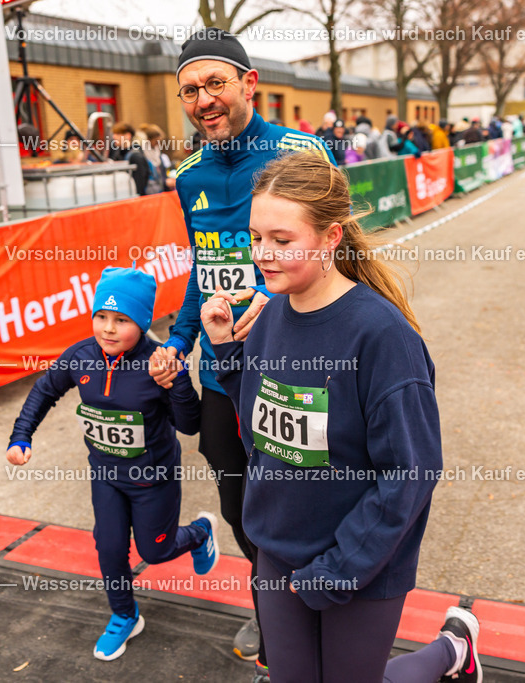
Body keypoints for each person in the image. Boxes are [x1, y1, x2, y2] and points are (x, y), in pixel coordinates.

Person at [200, 150, 482, 683]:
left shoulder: (383, 337)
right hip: (277, 555)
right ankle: (452, 649)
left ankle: (450, 650)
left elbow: (411, 473)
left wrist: (336, 570)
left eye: (282, 240)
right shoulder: (268, 316)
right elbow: (262, 431)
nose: (263, 255)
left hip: (358, 566)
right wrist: (228, 354)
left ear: (331, 237)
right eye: (255, 237)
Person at [149, 28, 336, 681]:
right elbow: (204, 271)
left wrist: (273, 294)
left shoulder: (301, 151)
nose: (203, 100)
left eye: (215, 83)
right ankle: (272, 601)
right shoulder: (189, 174)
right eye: (190, 91)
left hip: (295, 368)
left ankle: (322, 608)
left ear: (248, 83)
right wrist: (179, 341)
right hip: (224, 375)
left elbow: (337, 249)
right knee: (241, 507)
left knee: (304, 501)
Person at [6, 266, 218, 662]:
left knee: (155, 552)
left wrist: (177, 382)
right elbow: (44, 391)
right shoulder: (81, 356)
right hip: (105, 475)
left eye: (122, 320)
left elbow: (189, 426)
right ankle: (124, 614)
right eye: (101, 316)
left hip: (153, 478)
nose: (108, 328)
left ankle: (200, 532)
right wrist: (21, 435)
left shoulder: (159, 361)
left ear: (142, 323)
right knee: (109, 547)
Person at [112, 123, 153, 196]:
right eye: (114, 134)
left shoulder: (136, 156)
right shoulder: (118, 154)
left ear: (128, 136)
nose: (114, 137)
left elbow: (140, 184)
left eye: (118, 134)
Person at [140, 123, 174, 192]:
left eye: (159, 141)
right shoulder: (142, 153)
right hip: (150, 188)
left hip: (160, 186)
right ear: (149, 139)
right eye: (156, 141)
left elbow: (162, 170)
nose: (158, 144)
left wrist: (166, 181)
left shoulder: (157, 150)